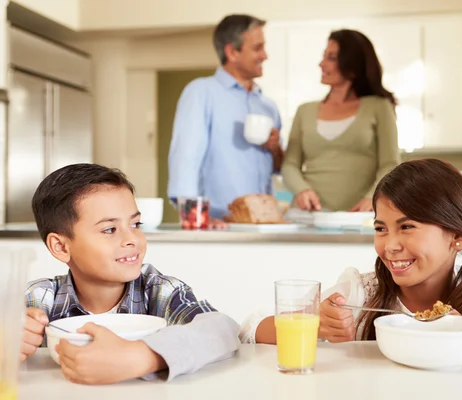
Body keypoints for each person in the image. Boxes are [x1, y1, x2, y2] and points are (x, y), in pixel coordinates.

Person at [245, 159, 462, 352]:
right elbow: (250, 330)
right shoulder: (360, 293)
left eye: (408, 227)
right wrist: (317, 325)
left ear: (458, 236)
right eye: (381, 228)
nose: (391, 245)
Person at [21, 163, 240, 384]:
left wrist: (143, 356)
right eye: (109, 229)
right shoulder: (37, 299)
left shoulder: (160, 292)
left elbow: (223, 331)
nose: (132, 239)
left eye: (136, 224)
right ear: (61, 247)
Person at [167, 14, 283, 220]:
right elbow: (185, 159)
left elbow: (279, 168)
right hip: (217, 222)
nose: (265, 55)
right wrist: (196, 218)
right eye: (258, 48)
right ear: (232, 52)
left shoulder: (268, 106)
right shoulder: (202, 92)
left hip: (262, 222)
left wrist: (275, 150)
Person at [281, 29, 399, 213]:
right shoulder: (305, 110)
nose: (321, 64)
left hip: (358, 216)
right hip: (308, 215)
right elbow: (290, 165)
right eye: (324, 56)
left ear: (352, 67)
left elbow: (390, 164)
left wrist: (373, 197)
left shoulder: (379, 107)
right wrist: (301, 190)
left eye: (331, 58)